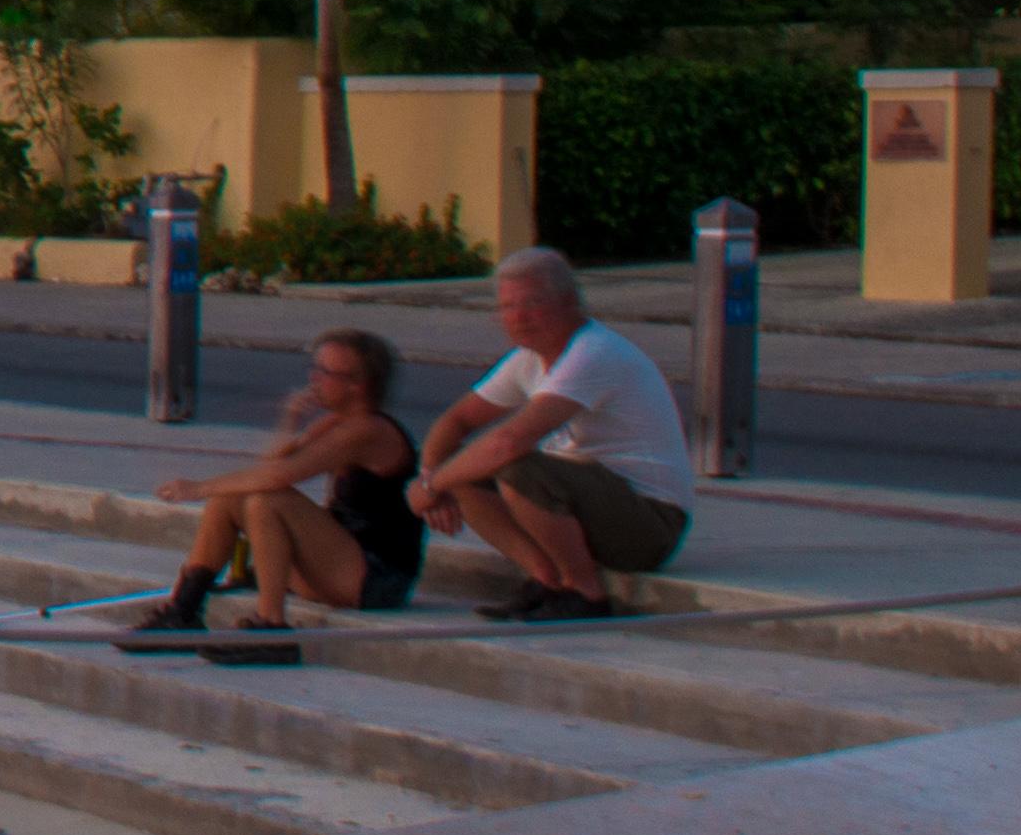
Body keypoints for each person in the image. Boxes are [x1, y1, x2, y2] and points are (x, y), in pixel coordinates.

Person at [413, 245, 696, 621]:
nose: (519, 317)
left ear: (568, 302)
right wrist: (433, 473)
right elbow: (456, 421)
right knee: (465, 472)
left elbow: (508, 442)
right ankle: (546, 578)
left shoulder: (593, 352)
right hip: (593, 505)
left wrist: (430, 489)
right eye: (508, 307)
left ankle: (585, 592)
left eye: (532, 303)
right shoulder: (528, 358)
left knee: (520, 470)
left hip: (651, 524)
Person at [126, 326, 419, 655]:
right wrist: (290, 421)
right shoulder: (334, 424)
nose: (314, 379)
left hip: (377, 578)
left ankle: (272, 628)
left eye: (325, 372)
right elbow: (269, 467)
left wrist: (199, 488)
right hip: (339, 564)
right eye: (314, 369)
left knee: (267, 500)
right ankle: (184, 609)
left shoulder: (369, 430)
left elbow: (280, 477)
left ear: (358, 385)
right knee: (233, 496)